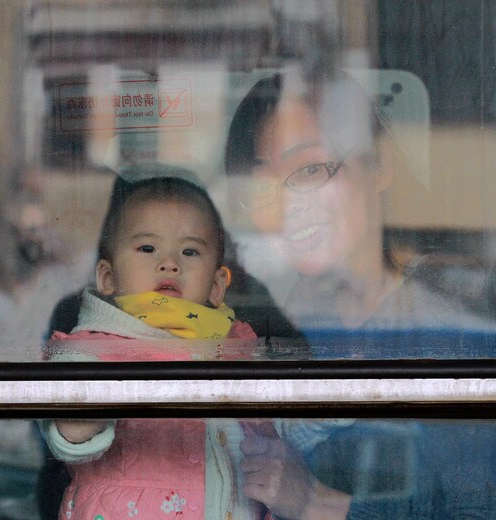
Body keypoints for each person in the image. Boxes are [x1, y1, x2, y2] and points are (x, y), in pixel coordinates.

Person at [224, 71, 496, 519]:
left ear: (379, 166)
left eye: (311, 169)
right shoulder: (296, 308)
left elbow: (490, 509)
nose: (287, 204)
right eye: (264, 185)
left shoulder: (456, 323)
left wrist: (316, 503)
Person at [40, 174, 344, 520]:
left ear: (216, 287)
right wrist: (86, 409)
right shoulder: (91, 349)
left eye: (190, 251)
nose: (170, 263)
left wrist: (330, 399)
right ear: (108, 278)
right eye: (147, 248)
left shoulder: (236, 350)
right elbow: (70, 438)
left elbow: (280, 425)